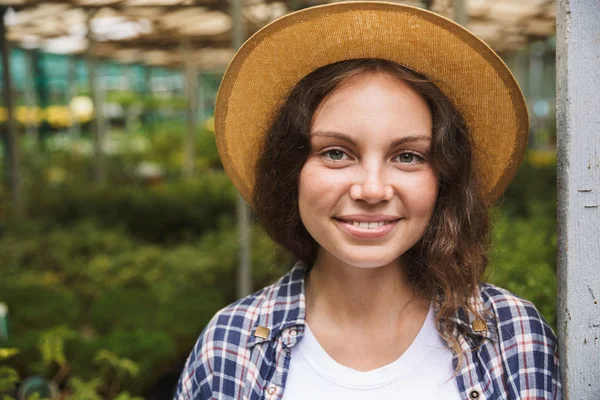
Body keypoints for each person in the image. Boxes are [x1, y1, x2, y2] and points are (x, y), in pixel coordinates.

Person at [174, 2, 561, 399]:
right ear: (290, 170)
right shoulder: (229, 347)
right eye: (336, 153)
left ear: (444, 177)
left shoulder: (513, 336)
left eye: (407, 156)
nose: (373, 190)